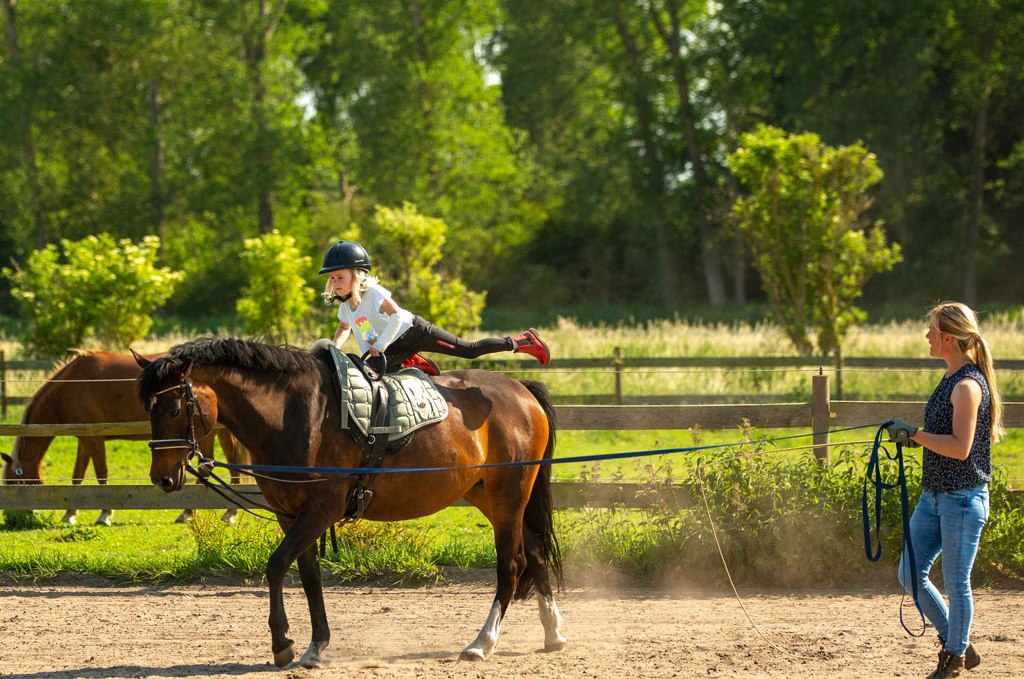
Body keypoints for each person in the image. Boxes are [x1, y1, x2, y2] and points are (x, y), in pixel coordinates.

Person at [886, 302, 1003, 679]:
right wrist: (915, 440)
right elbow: (943, 439)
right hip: (933, 496)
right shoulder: (950, 379)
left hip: (962, 500)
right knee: (910, 573)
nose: (927, 336)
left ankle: (953, 660)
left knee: (956, 582)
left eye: (932, 331)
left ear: (948, 339)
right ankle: (957, 640)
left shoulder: (968, 386)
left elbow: (960, 448)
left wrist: (916, 435)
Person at [318, 240, 550, 374]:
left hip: (414, 333)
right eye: (333, 279)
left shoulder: (373, 293)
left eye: (340, 277)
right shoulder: (346, 307)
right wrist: (334, 346)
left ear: (357, 276)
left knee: (468, 350)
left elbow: (397, 317)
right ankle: (414, 363)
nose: (335, 283)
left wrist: (379, 344)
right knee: (371, 374)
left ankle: (522, 342)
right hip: (389, 349)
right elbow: (343, 327)